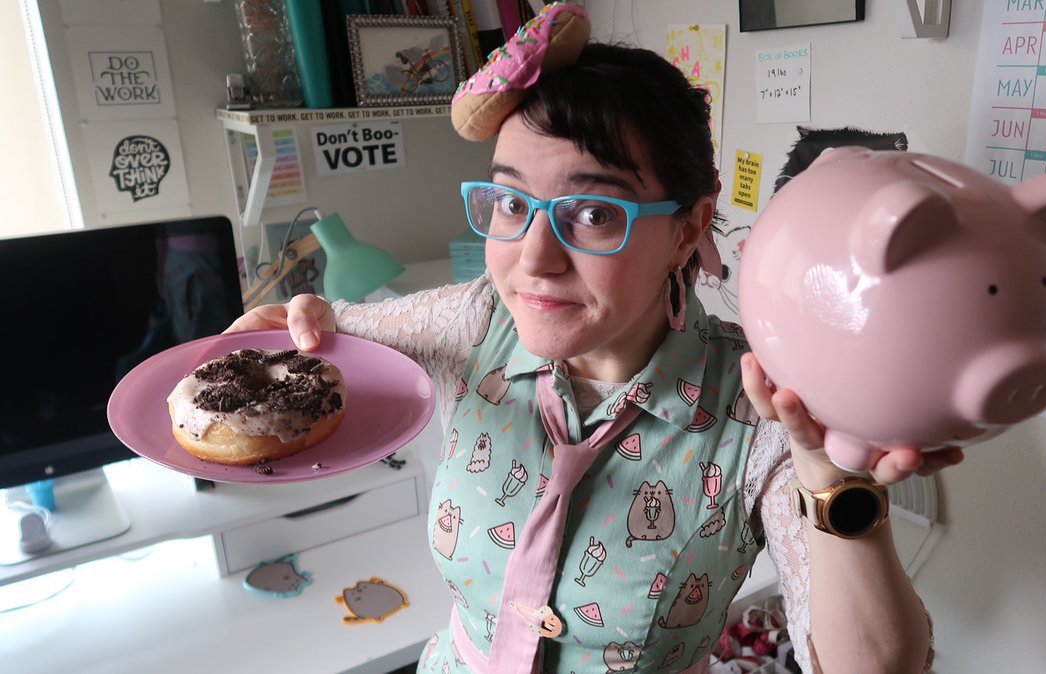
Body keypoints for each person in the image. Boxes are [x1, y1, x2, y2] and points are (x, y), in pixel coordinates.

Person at [226, 6, 961, 673]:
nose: (534, 258)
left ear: (688, 229)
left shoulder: (759, 409)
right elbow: (322, 329)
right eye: (511, 201)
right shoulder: (473, 321)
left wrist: (830, 476)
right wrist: (297, 319)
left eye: (594, 214)